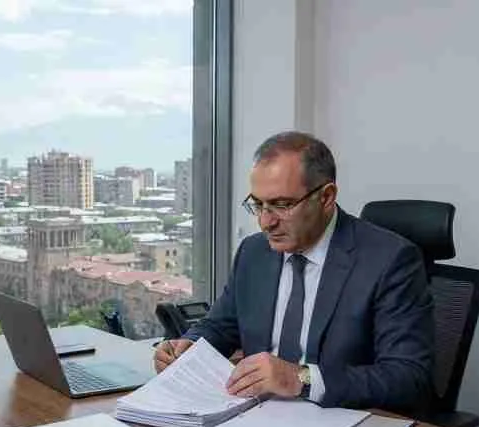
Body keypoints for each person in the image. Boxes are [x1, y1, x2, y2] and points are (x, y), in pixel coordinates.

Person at [154, 131, 434, 412]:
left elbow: (409, 377)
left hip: (339, 421)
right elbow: (222, 325)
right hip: (253, 416)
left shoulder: (390, 260)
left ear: (326, 197)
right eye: (258, 205)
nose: (266, 222)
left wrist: (301, 379)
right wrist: (189, 348)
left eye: (282, 205)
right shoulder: (254, 252)